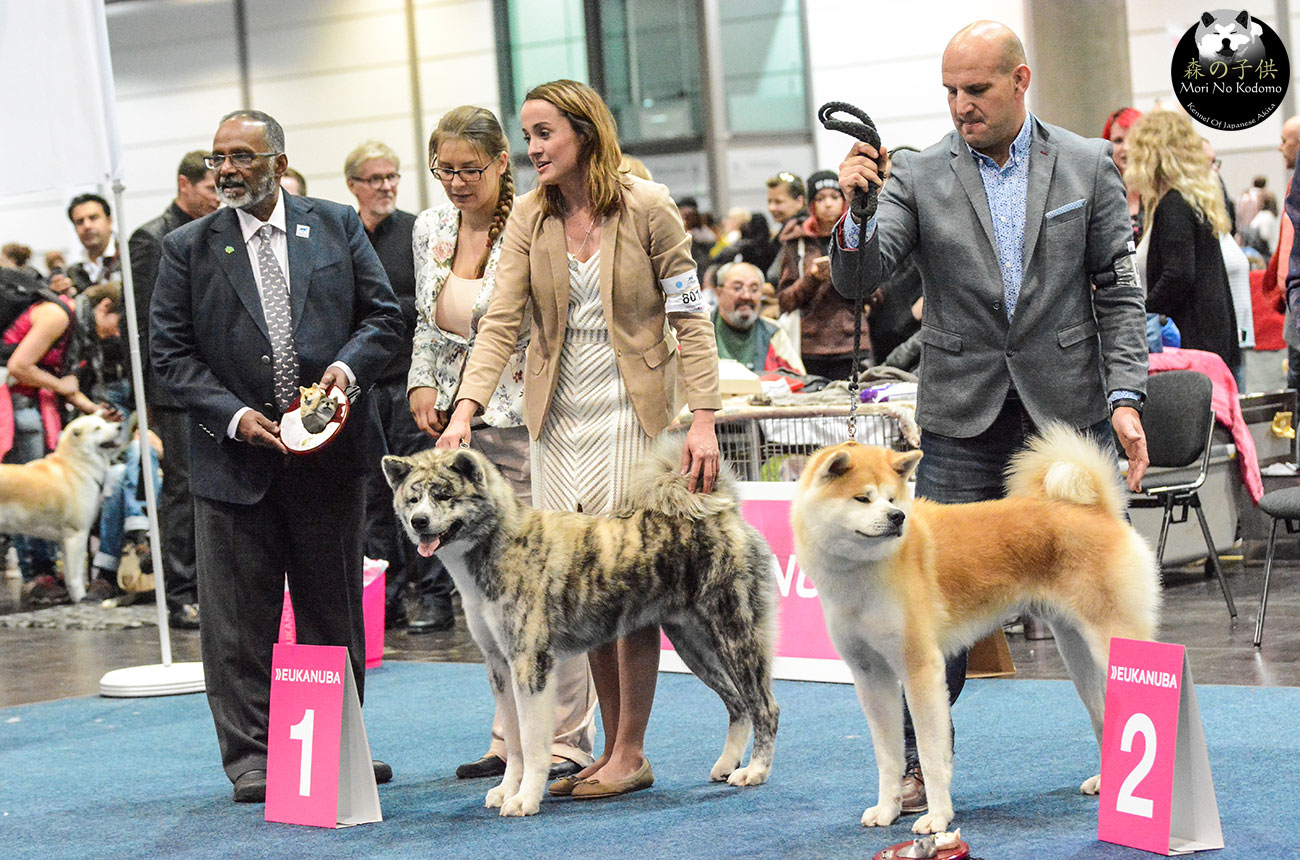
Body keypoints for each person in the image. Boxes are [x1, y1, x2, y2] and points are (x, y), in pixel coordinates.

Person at [831, 20, 1150, 816]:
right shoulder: (915, 174)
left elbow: (1118, 292)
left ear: (1020, 80)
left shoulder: (1085, 163)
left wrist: (1127, 398)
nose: (961, 106)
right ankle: (914, 771)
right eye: (950, 91)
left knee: (1094, 610)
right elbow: (861, 277)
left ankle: (1137, 764)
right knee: (929, 613)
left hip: (1067, 415)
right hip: (962, 418)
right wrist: (855, 209)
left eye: (976, 90)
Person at [437, 79, 721, 800]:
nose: (531, 149)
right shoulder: (529, 216)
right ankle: (604, 751)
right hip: (557, 420)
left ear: (585, 134)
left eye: (543, 134)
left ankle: (631, 749)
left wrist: (706, 419)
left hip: (634, 413)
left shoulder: (649, 208)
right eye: (526, 135)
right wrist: (465, 409)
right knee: (582, 586)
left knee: (630, 580)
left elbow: (690, 318)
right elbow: (500, 321)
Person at [149, 109, 404, 803]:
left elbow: (382, 318)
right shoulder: (187, 247)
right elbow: (168, 357)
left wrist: (343, 377)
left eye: (240, 156)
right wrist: (232, 417)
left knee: (333, 612)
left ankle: (335, 743)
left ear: (280, 163)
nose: (225, 169)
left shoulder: (335, 225)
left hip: (330, 456)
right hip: (233, 461)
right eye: (217, 156)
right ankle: (254, 759)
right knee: (238, 623)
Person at [408, 104, 596, 782]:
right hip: (458, 435)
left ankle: (568, 738)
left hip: (531, 422)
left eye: (470, 169)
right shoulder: (429, 228)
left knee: (544, 589)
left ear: (500, 164)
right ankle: (510, 739)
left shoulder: (537, 216)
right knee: (481, 593)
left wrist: (477, 398)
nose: (456, 183)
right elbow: (428, 325)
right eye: (444, 170)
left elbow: (544, 323)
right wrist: (421, 385)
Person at [343, 139, 455, 633]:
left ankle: (434, 597)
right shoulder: (342, 234)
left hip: (414, 386)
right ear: (353, 186)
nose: (386, 186)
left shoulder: (416, 230)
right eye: (375, 178)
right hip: (362, 388)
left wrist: (380, 308)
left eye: (392, 177)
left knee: (425, 491)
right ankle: (381, 600)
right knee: (371, 498)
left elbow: (434, 302)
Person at [127, 150, 219, 628]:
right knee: (181, 489)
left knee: (214, 487)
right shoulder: (151, 238)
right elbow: (145, 325)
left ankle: (208, 586)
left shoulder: (214, 231)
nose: (217, 195)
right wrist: (145, 402)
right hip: (173, 386)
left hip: (215, 382)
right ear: (185, 185)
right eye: (209, 187)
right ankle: (180, 591)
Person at [4, 273, 109, 607]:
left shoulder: (67, 321)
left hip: (26, 403)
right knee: (26, 501)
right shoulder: (58, 315)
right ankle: (37, 576)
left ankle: (44, 576)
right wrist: (63, 387)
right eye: (117, 326)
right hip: (17, 406)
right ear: (105, 308)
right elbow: (21, 366)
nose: (115, 336)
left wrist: (93, 410)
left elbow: (60, 383)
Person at [1126, 110, 1242, 381]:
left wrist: (1140, 310)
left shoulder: (1173, 206)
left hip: (1190, 339)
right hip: (1211, 335)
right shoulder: (1193, 200)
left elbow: (1178, 274)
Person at [776, 170, 864, 379]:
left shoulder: (859, 234)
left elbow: (877, 295)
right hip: (809, 345)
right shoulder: (796, 241)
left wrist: (847, 273)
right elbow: (785, 300)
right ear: (811, 204)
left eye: (834, 197)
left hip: (852, 342)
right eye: (820, 198)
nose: (828, 204)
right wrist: (812, 277)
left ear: (844, 200)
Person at [712, 261, 803, 374]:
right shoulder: (701, 329)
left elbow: (800, 379)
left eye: (754, 289)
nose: (746, 296)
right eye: (737, 288)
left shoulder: (772, 333)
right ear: (719, 293)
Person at [1101, 107, 1143, 241]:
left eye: (1133, 140)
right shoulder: (1102, 193)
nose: (1126, 148)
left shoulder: (1159, 190)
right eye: (1118, 141)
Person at [65, 193, 120, 295]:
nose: (87, 226)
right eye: (80, 222)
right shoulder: (71, 273)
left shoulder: (130, 257)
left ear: (109, 221)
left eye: (93, 218)